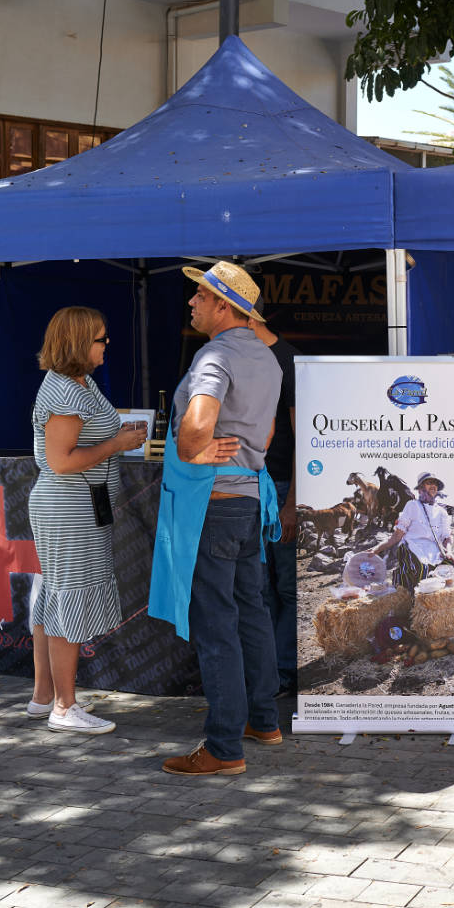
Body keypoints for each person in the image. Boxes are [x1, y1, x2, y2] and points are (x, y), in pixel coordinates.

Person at [149, 261, 283, 776]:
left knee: (216, 624)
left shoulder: (216, 354)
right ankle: (263, 721)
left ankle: (224, 747)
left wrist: (192, 450)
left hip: (216, 506)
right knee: (251, 611)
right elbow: (267, 435)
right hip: (250, 500)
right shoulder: (266, 358)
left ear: (223, 305)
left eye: (199, 297)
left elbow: (196, 426)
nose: (191, 303)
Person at [28, 306, 147, 734]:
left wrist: (116, 438)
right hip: (69, 507)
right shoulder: (65, 392)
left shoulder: (80, 383)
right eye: (100, 338)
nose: (106, 344)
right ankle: (64, 707)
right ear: (79, 343)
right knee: (68, 599)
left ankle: (44, 698)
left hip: (79, 505)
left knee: (55, 598)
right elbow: (60, 461)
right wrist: (117, 443)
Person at [252, 318, 298, 695]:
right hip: (247, 487)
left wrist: (293, 503)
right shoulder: (241, 358)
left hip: (280, 487)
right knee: (258, 588)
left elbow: (306, 438)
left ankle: (283, 672)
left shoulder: (288, 361)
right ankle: (267, 673)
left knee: (287, 585)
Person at [375, 471, 454, 591]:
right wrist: (376, 549)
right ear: (421, 488)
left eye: (435, 483)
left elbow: (446, 537)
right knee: (423, 570)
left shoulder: (442, 512)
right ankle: (411, 598)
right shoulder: (412, 505)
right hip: (411, 548)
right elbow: (397, 536)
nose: (433, 485)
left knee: (451, 569)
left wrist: (449, 552)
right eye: (429, 483)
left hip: (434, 552)